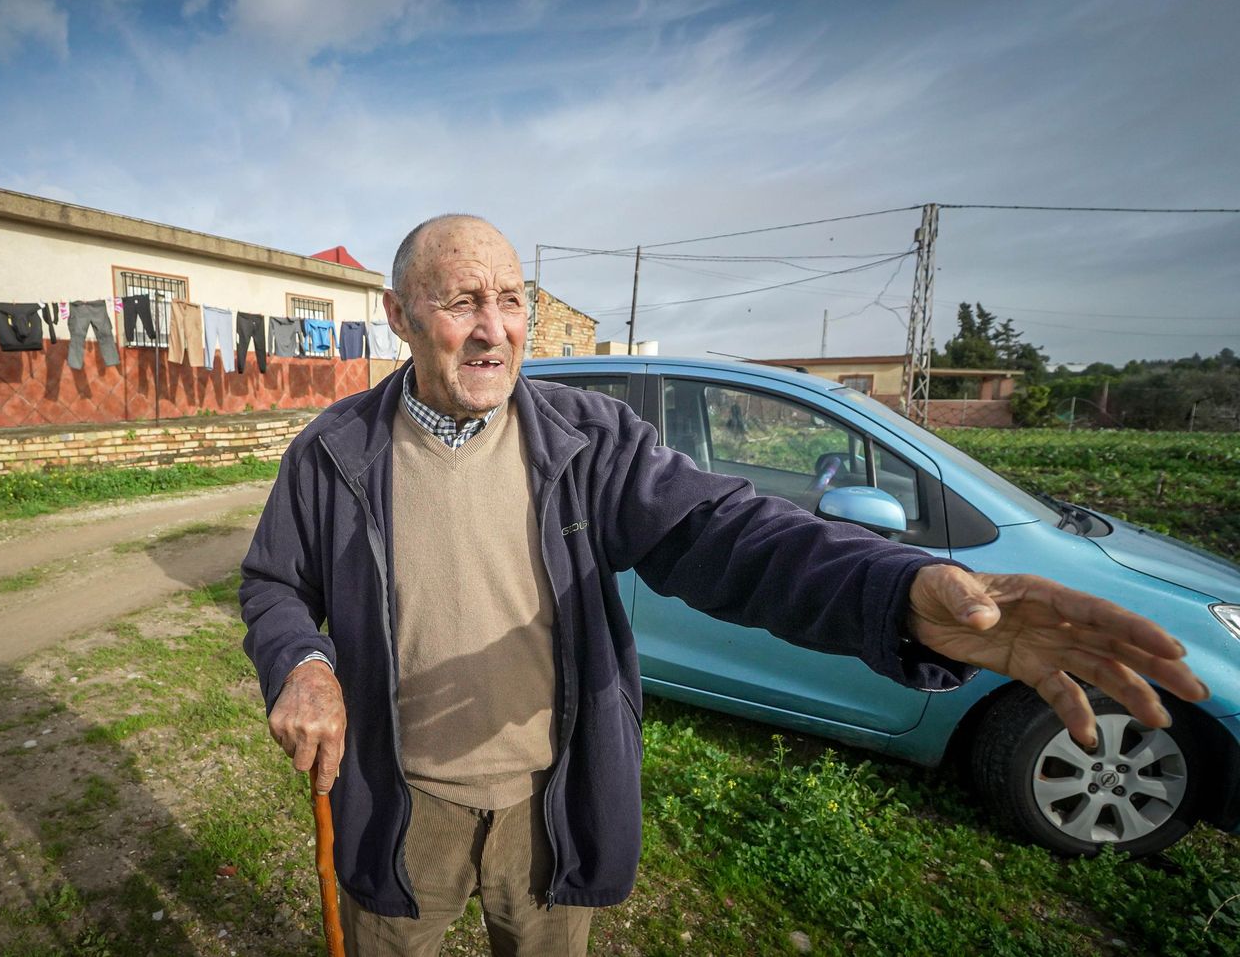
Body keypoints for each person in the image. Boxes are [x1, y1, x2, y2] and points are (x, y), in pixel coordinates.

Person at [239, 214, 1208, 956]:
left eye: (511, 299)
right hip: (397, 801)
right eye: (461, 302)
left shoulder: (588, 442)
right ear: (399, 316)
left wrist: (902, 595)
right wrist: (303, 662)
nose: (495, 329)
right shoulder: (334, 454)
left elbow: (732, 535)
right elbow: (276, 582)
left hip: (550, 802)